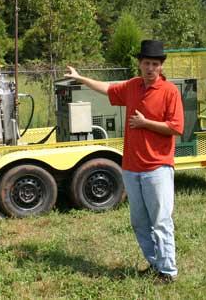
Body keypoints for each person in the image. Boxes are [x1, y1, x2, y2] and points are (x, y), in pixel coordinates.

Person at [65, 39, 184, 283]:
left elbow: (176, 127)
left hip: (157, 167)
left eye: (155, 64)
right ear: (139, 64)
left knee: (160, 221)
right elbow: (107, 88)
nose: (150, 68)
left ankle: (168, 272)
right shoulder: (132, 86)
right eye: (146, 63)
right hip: (131, 168)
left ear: (161, 66)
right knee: (140, 222)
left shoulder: (170, 91)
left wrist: (145, 123)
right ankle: (155, 265)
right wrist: (81, 78)